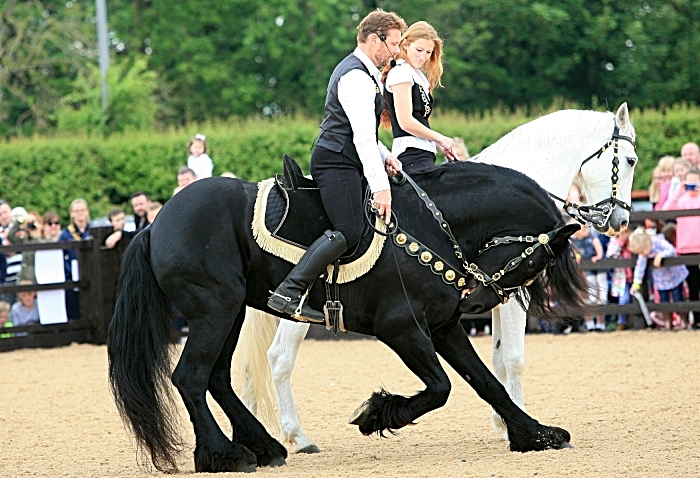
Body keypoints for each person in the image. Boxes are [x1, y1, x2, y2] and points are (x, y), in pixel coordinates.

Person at [267, 9, 406, 322]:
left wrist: (385, 156)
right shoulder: (355, 76)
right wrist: (381, 187)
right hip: (336, 162)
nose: (397, 51)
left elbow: (368, 134)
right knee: (350, 230)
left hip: (344, 159)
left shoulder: (366, 73)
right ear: (374, 39)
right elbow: (361, 139)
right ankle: (290, 290)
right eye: (394, 44)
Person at [381, 21, 456, 173]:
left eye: (428, 53)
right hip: (411, 154)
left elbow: (420, 120)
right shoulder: (401, 73)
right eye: (419, 50)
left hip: (423, 153)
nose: (423, 57)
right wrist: (440, 138)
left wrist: (438, 143)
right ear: (406, 45)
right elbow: (406, 122)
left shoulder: (416, 75)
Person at [662, 168, 700, 328]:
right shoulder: (681, 199)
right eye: (689, 181)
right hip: (686, 247)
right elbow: (665, 210)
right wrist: (678, 191)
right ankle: (697, 320)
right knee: (692, 286)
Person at [630, 230, 689, 330]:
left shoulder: (658, 242)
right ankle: (668, 322)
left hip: (674, 275)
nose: (642, 254)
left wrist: (661, 255)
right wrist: (636, 282)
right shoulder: (644, 254)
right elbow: (640, 267)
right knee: (663, 300)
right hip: (661, 280)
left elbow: (671, 250)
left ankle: (683, 321)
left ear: (648, 244)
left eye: (642, 251)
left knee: (678, 297)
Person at [571, 223, 608, 331]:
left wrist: (599, 256)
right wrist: (578, 257)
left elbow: (598, 247)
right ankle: (590, 324)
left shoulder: (592, 237)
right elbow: (577, 252)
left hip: (598, 263)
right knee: (591, 281)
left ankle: (602, 297)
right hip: (587, 265)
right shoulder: (575, 241)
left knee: (601, 280)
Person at [58, 198, 91, 320]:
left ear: (87, 211)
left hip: (92, 276)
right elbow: (60, 258)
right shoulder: (65, 235)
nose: (80, 213)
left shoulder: (93, 231)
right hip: (73, 278)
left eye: (82, 210)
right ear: (72, 213)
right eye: (77, 211)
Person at [6, 210, 49, 283]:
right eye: (29, 223)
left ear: (41, 225)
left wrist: (36, 236)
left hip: (40, 280)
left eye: (33, 222)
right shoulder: (24, 241)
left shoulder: (48, 241)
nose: (31, 225)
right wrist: (21, 220)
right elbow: (10, 236)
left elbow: (42, 249)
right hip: (24, 281)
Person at [606, 227, 633, 330]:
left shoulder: (633, 239)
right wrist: (621, 242)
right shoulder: (614, 242)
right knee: (624, 300)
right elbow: (611, 255)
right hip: (622, 277)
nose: (624, 234)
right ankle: (622, 322)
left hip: (635, 275)